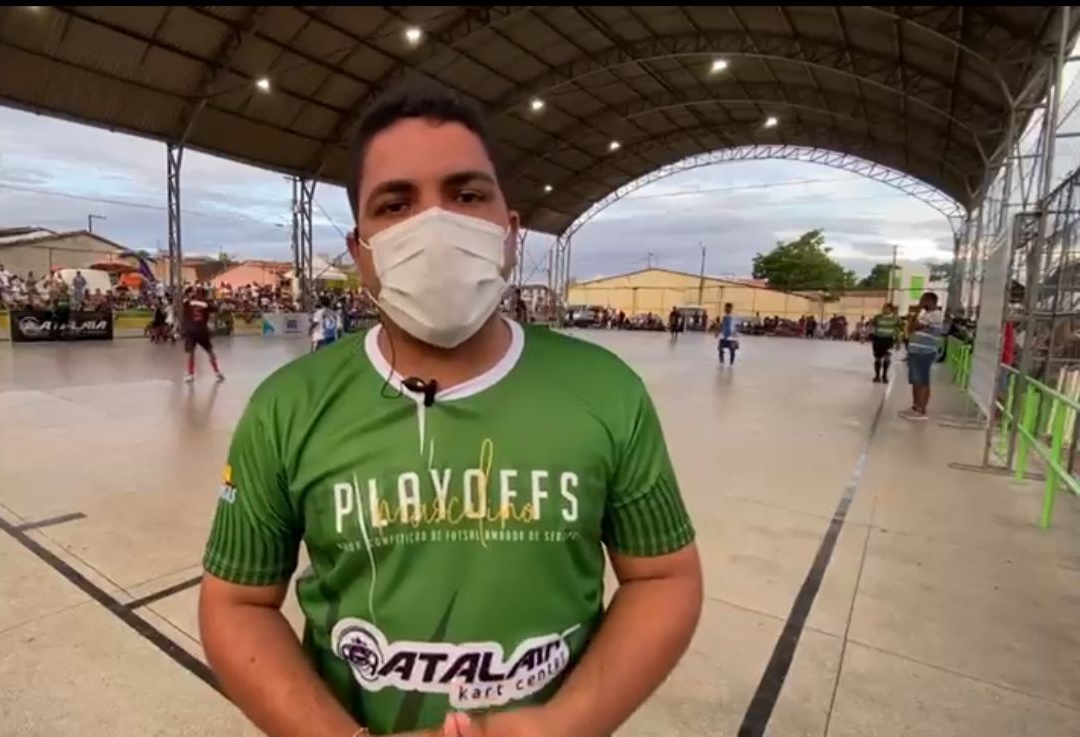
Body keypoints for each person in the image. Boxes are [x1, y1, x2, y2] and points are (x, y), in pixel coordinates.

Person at [198, 79, 701, 737]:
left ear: (510, 231)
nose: (434, 225)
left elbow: (663, 576)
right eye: (396, 204)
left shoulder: (606, 391)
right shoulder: (286, 407)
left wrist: (566, 724)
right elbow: (236, 601)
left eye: (466, 195)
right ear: (360, 251)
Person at [901, 292, 944, 420]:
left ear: (930, 301)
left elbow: (915, 326)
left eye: (922, 300)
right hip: (916, 351)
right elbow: (911, 329)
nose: (920, 303)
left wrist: (916, 313)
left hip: (924, 352)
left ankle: (920, 410)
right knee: (916, 380)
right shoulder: (926, 315)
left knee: (922, 381)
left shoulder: (935, 315)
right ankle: (915, 407)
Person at [181, 286, 223, 383]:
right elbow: (217, 309)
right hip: (202, 330)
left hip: (190, 331)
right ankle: (217, 372)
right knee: (209, 351)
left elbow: (183, 300)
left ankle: (190, 374)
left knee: (190, 353)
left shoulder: (189, 302)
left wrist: (188, 294)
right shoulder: (206, 304)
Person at [870, 303, 901, 383]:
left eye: (887, 308)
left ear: (891, 310)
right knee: (878, 358)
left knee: (887, 357)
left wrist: (898, 342)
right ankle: (877, 376)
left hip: (889, 340)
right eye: (884, 308)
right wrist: (865, 335)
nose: (884, 310)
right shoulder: (877, 317)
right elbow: (871, 326)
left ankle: (884, 375)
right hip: (878, 339)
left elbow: (899, 331)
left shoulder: (896, 319)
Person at [716, 302, 738, 366]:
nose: (727, 309)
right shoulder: (723, 316)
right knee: (720, 348)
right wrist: (717, 332)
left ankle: (731, 363)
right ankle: (721, 361)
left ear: (731, 309)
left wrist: (735, 333)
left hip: (731, 336)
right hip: (723, 335)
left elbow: (735, 326)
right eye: (726, 308)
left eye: (729, 308)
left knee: (732, 350)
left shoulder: (733, 317)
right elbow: (720, 325)